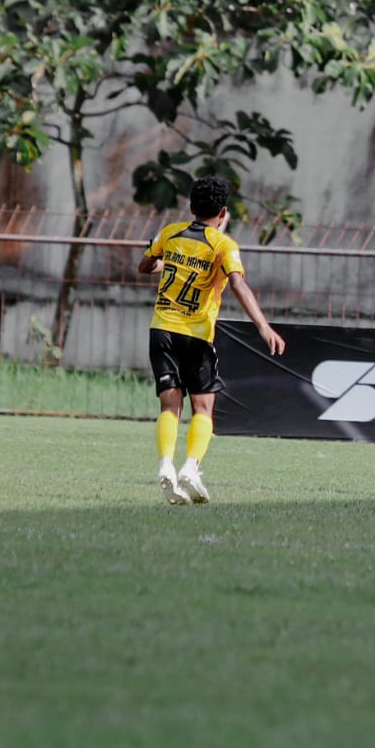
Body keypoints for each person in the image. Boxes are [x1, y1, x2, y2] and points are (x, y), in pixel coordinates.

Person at [138, 176, 285, 505]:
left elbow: (145, 265)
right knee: (203, 408)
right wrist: (262, 325)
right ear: (222, 211)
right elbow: (238, 284)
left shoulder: (171, 233)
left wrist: (170, 262)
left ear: (190, 206)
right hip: (197, 335)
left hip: (161, 329)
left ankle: (165, 465)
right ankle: (190, 467)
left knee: (169, 405)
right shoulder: (223, 245)